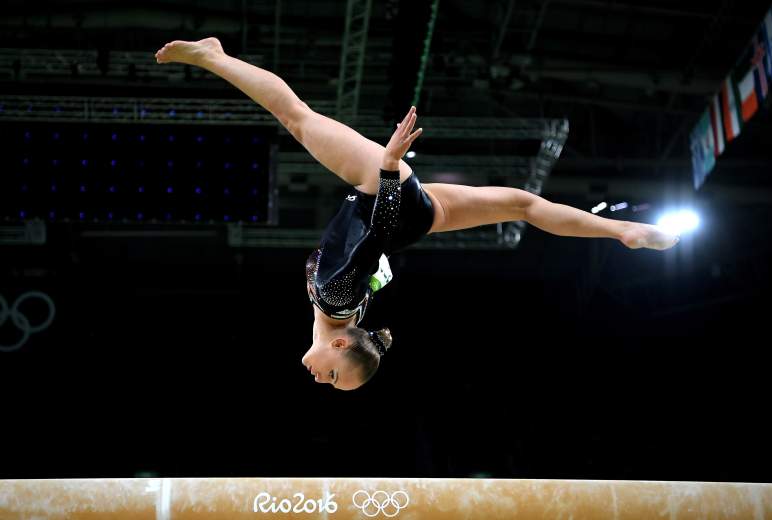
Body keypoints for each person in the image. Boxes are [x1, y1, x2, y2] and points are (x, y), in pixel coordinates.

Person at [155, 37, 679, 391]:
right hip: (385, 195)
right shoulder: (335, 299)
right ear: (340, 345)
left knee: (524, 204)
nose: (322, 381)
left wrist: (380, 262)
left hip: (418, 219)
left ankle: (623, 230)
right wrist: (386, 166)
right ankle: (213, 56)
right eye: (335, 377)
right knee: (296, 117)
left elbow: (376, 260)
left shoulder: (350, 313)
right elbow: (375, 238)